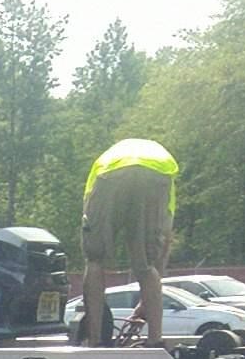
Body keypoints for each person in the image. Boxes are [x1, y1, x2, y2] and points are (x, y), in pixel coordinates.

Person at [76, 138, 178, 346]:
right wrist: (146, 301)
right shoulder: (167, 178)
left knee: (95, 259)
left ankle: (94, 340)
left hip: (110, 173)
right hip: (157, 173)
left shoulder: (103, 161)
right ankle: (155, 340)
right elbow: (165, 240)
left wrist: (144, 303)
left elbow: (89, 212)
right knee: (146, 264)